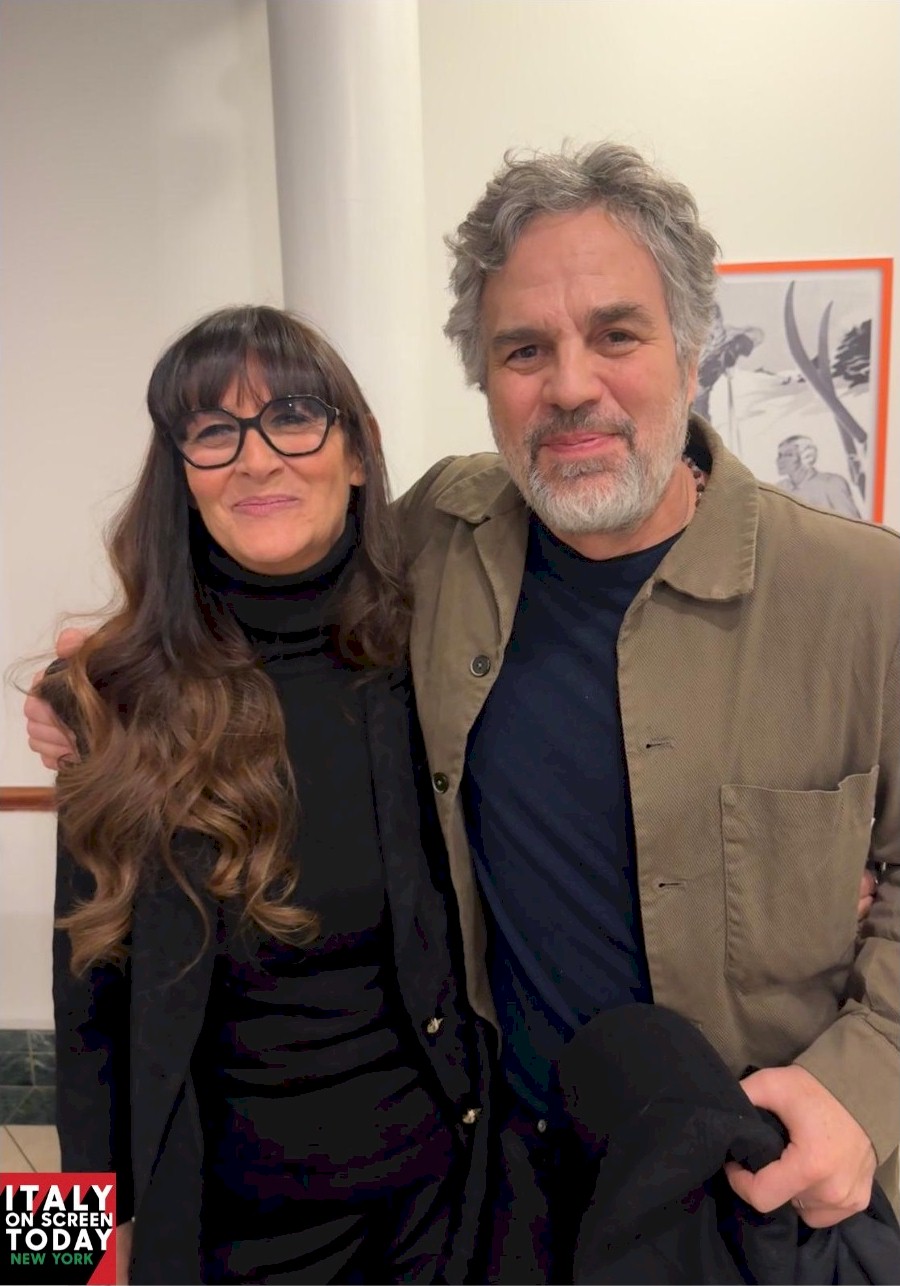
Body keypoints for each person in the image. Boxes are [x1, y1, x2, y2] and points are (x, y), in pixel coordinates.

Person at [26, 145, 897, 1280]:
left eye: (616, 334)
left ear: (692, 348)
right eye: (524, 349)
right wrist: (49, 1260)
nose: (570, 384)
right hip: (396, 1214)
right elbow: (86, 1027)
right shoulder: (426, 560)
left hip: (686, 1200)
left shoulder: (862, 597)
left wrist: (866, 1085)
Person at [35, 306, 491, 1285]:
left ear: (356, 455)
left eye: (291, 416)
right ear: (184, 474)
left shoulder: (433, 663)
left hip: (437, 1215)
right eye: (214, 430)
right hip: (221, 1233)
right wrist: (58, 1265)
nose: (255, 458)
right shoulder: (114, 700)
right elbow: (85, 1013)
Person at [776, 433, 862, 517]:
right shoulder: (779, 488)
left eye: (789, 455)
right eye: (780, 455)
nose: (780, 460)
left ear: (807, 457)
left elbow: (851, 522)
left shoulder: (831, 483)